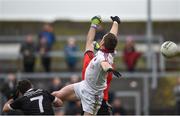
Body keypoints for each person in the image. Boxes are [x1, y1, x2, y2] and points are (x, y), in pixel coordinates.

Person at [52, 16, 121, 115]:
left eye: (103, 38)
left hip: (96, 99)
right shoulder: (108, 53)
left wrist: (110, 69)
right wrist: (115, 22)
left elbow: (103, 63)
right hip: (84, 87)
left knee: (57, 96)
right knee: (56, 95)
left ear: (102, 43)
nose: (101, 38)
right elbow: (112, 35)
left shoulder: (96, 58)